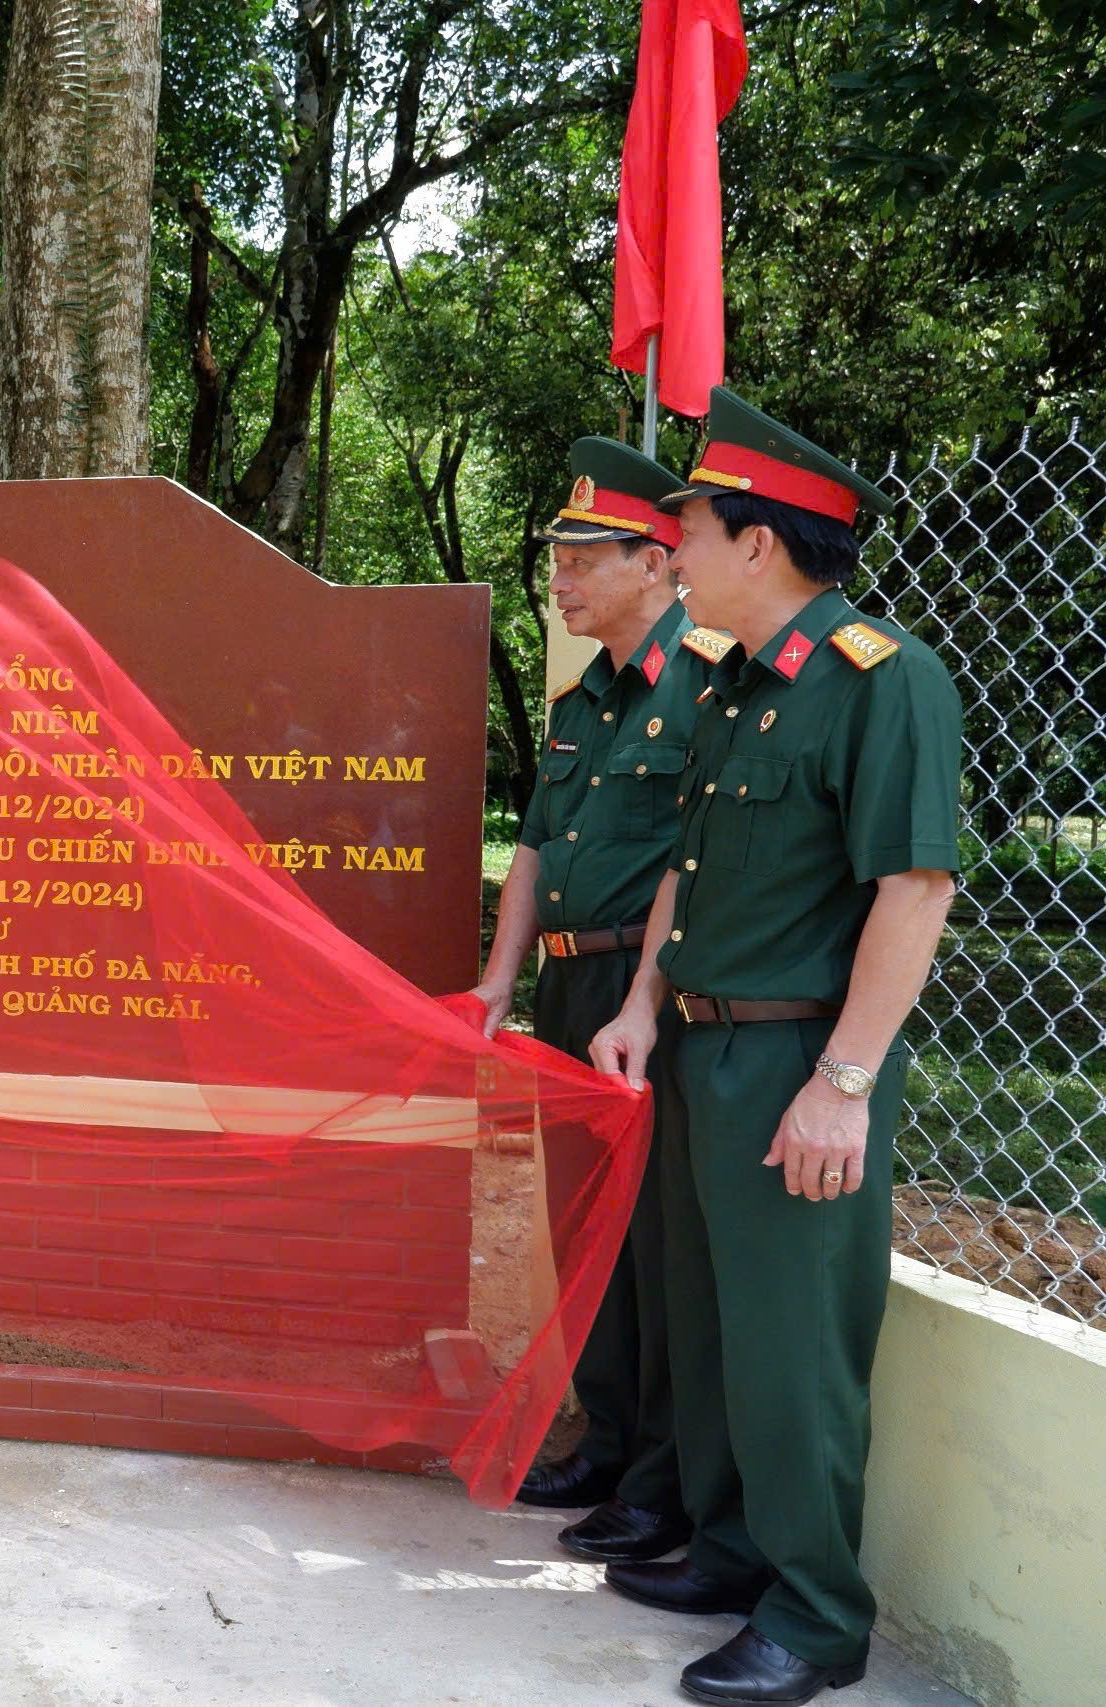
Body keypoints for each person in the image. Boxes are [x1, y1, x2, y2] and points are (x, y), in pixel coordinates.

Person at [589, 389, 961, 1706]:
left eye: (685, 527)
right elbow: (691, 871)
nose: (669, 549)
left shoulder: (883, 676)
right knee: (712, 1327)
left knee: (795, 1347)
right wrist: (643, 1003)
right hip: (700, 1045)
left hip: (800, 1057)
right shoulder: (743, 687)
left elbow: (916, 890)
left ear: (759, 542)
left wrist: (845, 1082)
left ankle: (814, 1613)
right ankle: (733, 1548)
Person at [470, 437, 719, 1565]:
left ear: (656, 562)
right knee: (589, 1239)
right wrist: (499, 979)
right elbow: (530, 849)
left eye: (581, 558)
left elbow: (694, 862)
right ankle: (606, 1441)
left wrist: (644, 998)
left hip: (646, 995)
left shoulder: (712, 684)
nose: (559, 580)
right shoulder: (583, 697)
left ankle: (660, 1479)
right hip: (571, 986)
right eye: (555, 559)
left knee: (659, 1242)